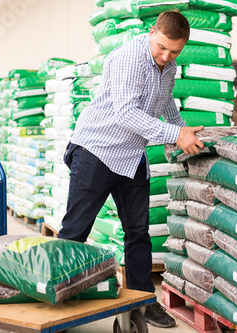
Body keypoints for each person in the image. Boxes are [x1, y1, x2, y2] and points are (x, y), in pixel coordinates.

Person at [58, 11, 203, 328]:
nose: (166, 56)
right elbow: (126, 114)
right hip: (97, 151)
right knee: (75, 232)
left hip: (132, 156)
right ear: (152, 32)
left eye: (175, 51)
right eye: (162, 47)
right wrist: (174, 134)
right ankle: (55, 303)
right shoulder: (128, 58)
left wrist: (182, 130)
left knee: (138, 233)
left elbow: (165, 103)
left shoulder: (170, 66)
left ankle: (142, 300)